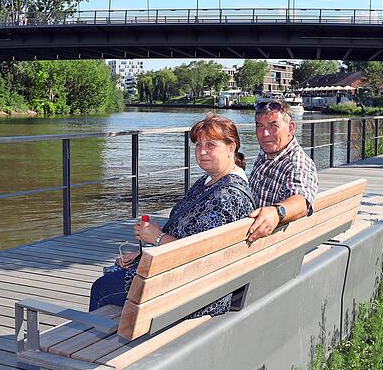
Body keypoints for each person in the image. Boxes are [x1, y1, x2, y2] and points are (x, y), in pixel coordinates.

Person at [88, 113, 254, 316]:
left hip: (195, 292)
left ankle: (106, 346)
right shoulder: (210, 182)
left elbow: (200, 256)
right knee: (114, 275)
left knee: (102, 287)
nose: (202, 151)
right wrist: (143, 257)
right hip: (190, 279)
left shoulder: (227, 197)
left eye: (210, 145)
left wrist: (156, 238)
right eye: (198, 145)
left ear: (231, 147)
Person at [247, 100, 318, 242]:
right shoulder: (267, 153)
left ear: (291, 128)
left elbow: (302, 201)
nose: (265, 133)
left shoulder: (296, 163)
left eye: (274, 126)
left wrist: (277, 212)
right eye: (260, 126)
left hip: (264, 245)